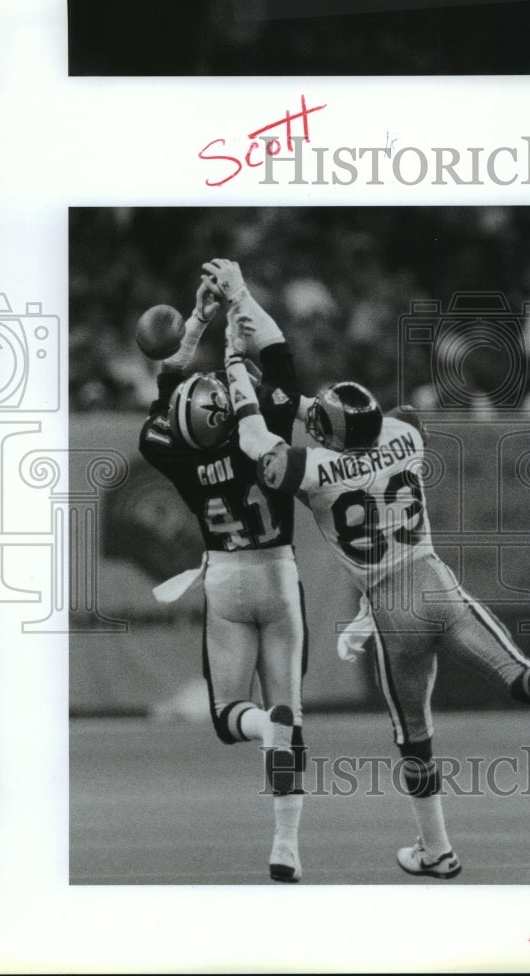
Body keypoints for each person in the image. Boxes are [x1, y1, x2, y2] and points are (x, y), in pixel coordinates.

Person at [218, 292, 530, 882]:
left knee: (414, 739)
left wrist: (241, 378)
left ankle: (439, 849)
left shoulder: (317, 472)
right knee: (518, 672)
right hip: (435, 584)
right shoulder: (407, 433)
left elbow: (261, 446)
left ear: (328, 431)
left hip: (388, 609)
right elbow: (372, 420)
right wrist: (304, 403)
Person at [138, 261, 307, 883]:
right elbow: (281, 361)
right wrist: (240, 304)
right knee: (291, 716)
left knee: (228, 716)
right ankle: (286, 843)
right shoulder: (261, 437)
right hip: (279, 573)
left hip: (227, 579)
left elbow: (167, 392)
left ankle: (263, 723)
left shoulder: (174, 453)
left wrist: (196, 326)